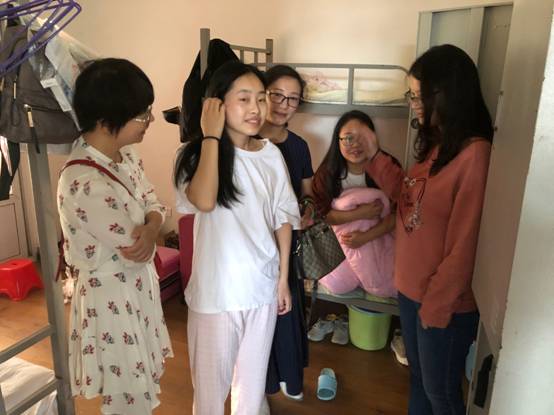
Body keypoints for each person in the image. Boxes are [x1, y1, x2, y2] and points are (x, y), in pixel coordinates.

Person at [364, 44, 493, 415]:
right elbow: (409, 199)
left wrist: (435, 307)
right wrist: (373, 156)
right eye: (412, 96)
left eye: (418, 96)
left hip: (441, 303)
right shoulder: (438, 147)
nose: (413, 105)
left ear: (447, 94)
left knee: (442, 396)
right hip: (410, 292)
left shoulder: (475, 155)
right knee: (420, 381)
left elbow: (466, 245)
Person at [174, 61, 300, 415]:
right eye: (244, 99)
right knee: (210, 396)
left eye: (260, 98)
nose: (256, 109)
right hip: (216, 295)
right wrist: (210, 136)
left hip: (261, 289)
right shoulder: (193, 155)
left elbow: (283, 217)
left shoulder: (271, 154)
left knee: (251, 392)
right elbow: (203, 200)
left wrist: (283, 279)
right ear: (217, 105)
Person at [57, 58, 173, 415]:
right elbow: (134, 248)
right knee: (126, 395)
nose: (149, 121)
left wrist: (151, 227)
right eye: (142, 114)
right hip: (111, 297)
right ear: (107, 119)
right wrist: (150, 228)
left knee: (139, 383)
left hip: (137, 288)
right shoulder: (82, 181)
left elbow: (156, 204)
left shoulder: (127, 156)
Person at [258, 65, 313, 406]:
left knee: (284, 313)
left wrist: (307, 210)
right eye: (277, 95)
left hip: (286, 244)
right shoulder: (244, 141)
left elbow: (307, 193)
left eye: (293, 99)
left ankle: (287, 378)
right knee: (257, 319)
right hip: (253, 245)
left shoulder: (299, 147)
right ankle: (259, 389)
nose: (283, 105)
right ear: (262, 93)